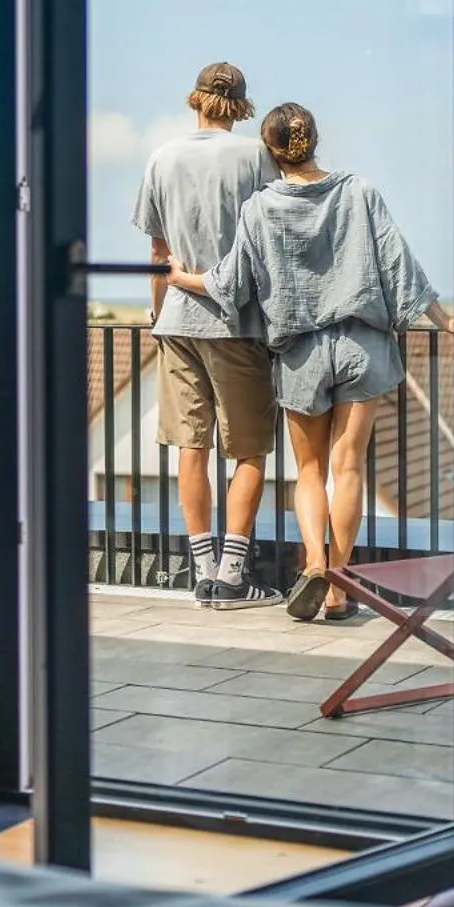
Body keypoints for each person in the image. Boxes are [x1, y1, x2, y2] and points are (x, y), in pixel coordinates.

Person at [167, 102, 453, 622]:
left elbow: (229, 284)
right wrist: (446, 320)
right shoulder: (359, 192)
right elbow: (400, 266)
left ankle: (316, 565)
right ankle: (340, 591)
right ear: (315, 139)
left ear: (269, 150)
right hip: (362, 347)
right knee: (348, 471)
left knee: (310, 472)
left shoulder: (259, 208)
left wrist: (179, 278)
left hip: (300, 354)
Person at [130, 62, 284, 610]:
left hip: (176, 320)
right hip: (238, 321)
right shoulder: (257, 159)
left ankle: (201, 570)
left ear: (195, 100)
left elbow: (157, 255)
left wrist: (156, 316)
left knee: (190, 447)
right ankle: (233, 576)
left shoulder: (162, 156)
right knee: (249, 450)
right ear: (241, 106)